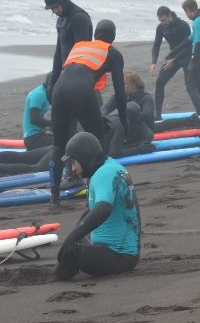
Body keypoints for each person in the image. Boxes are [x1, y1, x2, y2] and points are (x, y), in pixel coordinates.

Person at [49, 19, 128, 205]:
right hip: (82, 90)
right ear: (113, 37)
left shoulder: (79, 45)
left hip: (59, 89)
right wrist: (124, 121)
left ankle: (54, 198)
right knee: (97, 141)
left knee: (57, 146)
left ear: (95, 35)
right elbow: (120, 92)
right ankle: (92, 197)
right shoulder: (112, 52)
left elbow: (63, 66)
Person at [54, 131, 141, 281]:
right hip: (122, 253)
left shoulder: (103, 174)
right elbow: (90, 211)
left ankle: (55, 278)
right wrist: (72, 237)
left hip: (118, 256)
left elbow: (104, 208)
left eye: (73, 162)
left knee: (71, 251)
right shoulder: (111, 166)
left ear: (85, 156)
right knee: (72, 241)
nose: (73, 169)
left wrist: (72, 238)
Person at [44, 0, 94, 91]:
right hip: (67, 75)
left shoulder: (79, 18)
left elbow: (81, 56)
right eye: (52, 8)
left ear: (63, 0)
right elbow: (58, 54)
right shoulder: (61, 20)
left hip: (80, 79)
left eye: (56, 6)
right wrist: (52, 83)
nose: (55, 11)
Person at [150, 5, 191, 119]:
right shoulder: (161, 27)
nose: (163, 23)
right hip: (172, 59)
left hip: (186, 57)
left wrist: (174, 59)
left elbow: (188, 47)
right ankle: (157, 114)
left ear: (170, 15)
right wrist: (154, 62)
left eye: (164, 20)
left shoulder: (183, 26)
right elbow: (156, 45)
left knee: (191, 87)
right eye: (160, 21)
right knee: (160, 82)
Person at [103, 70, 156, 157]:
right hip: (126, 129)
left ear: (134, 86)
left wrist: (128, 118)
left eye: (126, 84)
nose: (122, 86)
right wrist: (103, 117)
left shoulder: (146, 97)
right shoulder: (122, 95)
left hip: (143, 131)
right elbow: (106, 108)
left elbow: (148, 114)